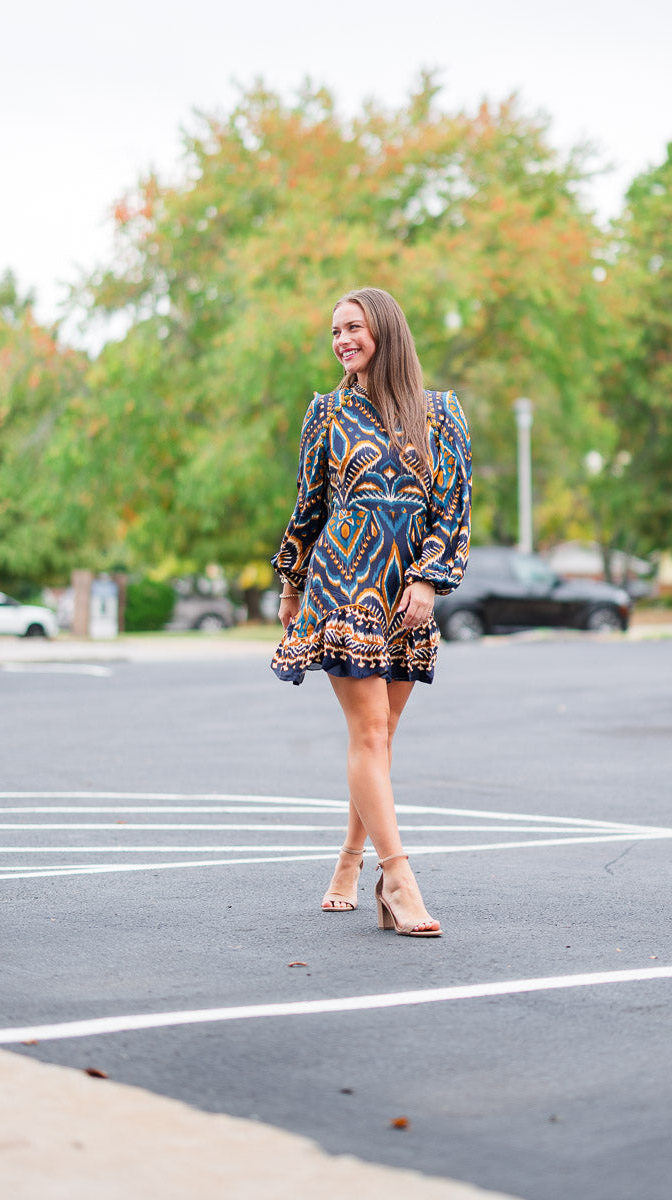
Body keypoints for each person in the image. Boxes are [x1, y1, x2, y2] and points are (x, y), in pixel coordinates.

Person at [270, 287, 471, 937]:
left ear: (384, 329)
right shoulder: (325, 415)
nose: (342, 340)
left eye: (353, 327)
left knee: (381, 740)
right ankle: (401, 880)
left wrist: (429, 581)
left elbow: (453, 509)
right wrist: (291, 584)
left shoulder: (440, 414)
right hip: (342, 588)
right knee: (370, 733)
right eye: (334, 331)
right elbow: (309, 508)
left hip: (405, 596)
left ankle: (349, 862)